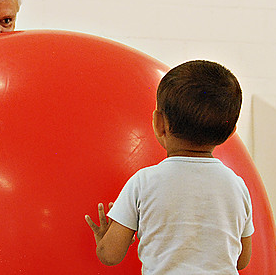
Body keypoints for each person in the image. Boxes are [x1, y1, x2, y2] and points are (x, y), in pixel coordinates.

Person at [85, 60, 253, 274]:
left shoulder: (143, 182)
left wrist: (104, 239)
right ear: (231, 133)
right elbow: (241, 260)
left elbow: (110, 255)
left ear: (158, 123)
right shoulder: (237, 185)